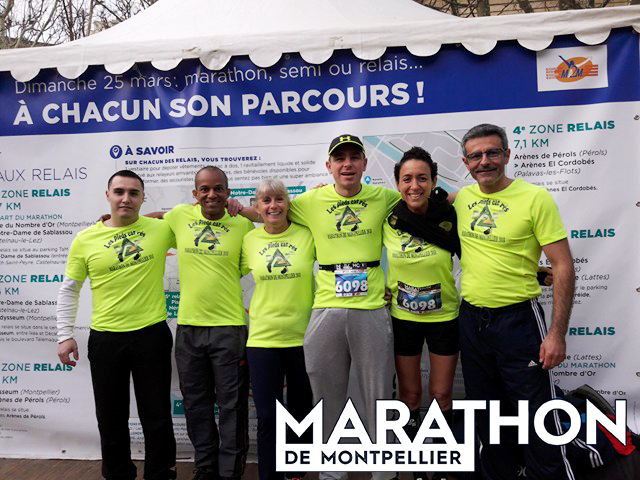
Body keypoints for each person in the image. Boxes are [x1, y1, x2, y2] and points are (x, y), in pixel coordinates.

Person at [238, 134, 401, 480]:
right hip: (325, 308)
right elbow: (268, 210)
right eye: (339, 159)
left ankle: (384, 474)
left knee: (378, 397)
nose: (347, 164)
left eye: (354, 158)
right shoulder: (310, 201)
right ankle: (332, 474)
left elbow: (422, 202)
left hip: (370, 307)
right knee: (326, 400)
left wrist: (460, 197)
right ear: (329, 166)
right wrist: (234, 209)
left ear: (364, 164)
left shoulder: (384, 197)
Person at [454, 124, 575, 479]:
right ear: (465, 161)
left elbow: (563, 264)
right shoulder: (462, 198)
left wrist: (556, 334)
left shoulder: (535, 198)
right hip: (472, 321)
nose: (484, 161)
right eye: (476, 156)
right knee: (488, 415)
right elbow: (418, 197)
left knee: (535, 414)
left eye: (492, 153)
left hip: (519, 321)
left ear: (507, 155)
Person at [56, 170, 177, 480]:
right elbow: (70, 289)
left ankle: (160, 474)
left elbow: (195, 220)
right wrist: (64, 335)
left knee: (158, 415)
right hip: (106, 339)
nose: (126, 198)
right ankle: (118, 474)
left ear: (142, 198)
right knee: (110, 417)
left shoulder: (160, 229)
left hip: (151, 335)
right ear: (107, 195)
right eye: (119, 192)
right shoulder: (85, 239)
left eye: (134, 193)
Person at [163, 166, 255, 480]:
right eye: (204, 189)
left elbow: (275, 220)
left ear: (228, 193)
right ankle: (205, 467)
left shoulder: (242, 225)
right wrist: (114, 221)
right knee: (196, 404)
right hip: (189, 328)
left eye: (218, 189)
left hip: (229, 328)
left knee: (232, 407)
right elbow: (149, 220)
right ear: (195, 194)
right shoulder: (179, 216)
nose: (211, 195)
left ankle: (229, 472)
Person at [383, 147, 460, 480]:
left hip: (445, 318)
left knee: (441, 394)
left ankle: (441, 464)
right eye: (407, 179)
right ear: (398, 183)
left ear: (433, 181)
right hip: (404, 320)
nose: (414, 185)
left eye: (422, 178)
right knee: (410, 394)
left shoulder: (450, 214)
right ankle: (413, 465)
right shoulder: (387, 216)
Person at [240, 179, 315, 480]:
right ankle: (269, 475)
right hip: (262, 339)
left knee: (301, 412)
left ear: (289, 203)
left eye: (279, 199)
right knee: (269, 416)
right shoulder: (248, 241)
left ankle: (297, 474)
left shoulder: (308, 234)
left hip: (305, 337)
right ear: (257, 207)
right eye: (266, 200)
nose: (273, 206)